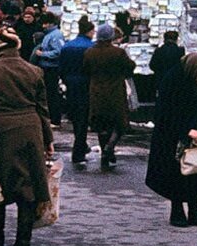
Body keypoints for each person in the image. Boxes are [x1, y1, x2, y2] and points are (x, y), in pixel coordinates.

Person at [0, 26, 53, 246]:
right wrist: (48, 139)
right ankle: (23, 241)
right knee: (27, 186)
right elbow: (42, 109)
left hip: (0, 132)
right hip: (31, 130)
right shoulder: (34, 71)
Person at [146, 53, 197, 227]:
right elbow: (166, 111)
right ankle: (177, 210)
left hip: (194, 131)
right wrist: (186, 130)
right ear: (193, 70)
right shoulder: (173, 79)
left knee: (195, 169)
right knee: (175, 171)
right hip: (170, 132)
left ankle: (194, 210)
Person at [85, 23, 136, 170]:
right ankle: (110, 146)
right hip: (115, 91)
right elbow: (130, 67)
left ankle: (105, 152)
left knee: (101, 124)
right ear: (111, 37)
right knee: (119, 123)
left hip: (96, 92)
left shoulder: (89, 52)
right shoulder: (118, 53)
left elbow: (85, 69)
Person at [59, 17, 95, 166]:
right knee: (83, 118)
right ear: (90, 31)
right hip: (86, 85)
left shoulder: (67, 47)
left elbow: (61, 68)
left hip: (71, 84)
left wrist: (66, 80)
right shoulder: (91, 48)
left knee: (76, 117)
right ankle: (79, 150)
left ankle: (81, 145)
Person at [34, 12, 65, 127]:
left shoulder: (55, 35)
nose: (43, 26)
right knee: (48, 94)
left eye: (45, 23)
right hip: (46, 67)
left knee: (52, 94)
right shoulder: (49, 34)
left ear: (51, 23)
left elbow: (58, 51)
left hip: (51, 68)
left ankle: (55, 119)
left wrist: (43, 54)